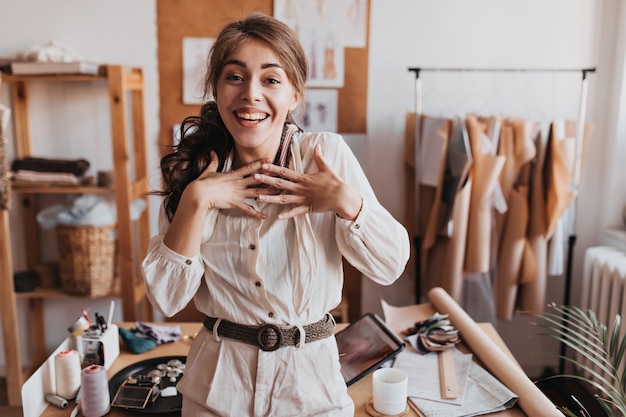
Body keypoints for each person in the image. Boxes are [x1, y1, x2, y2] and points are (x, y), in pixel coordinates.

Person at [141, 11, 410, 417]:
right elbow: (167, 297)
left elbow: (390, 266)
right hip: (216, 393)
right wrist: (197, 200)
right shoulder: (195, 172)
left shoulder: (325, 155)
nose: (250, 94)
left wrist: (345, 201)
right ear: (216, 88)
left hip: (311, 390)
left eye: (270, 79)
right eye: (234, 77)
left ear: (293, 95)